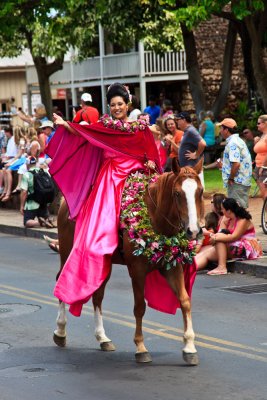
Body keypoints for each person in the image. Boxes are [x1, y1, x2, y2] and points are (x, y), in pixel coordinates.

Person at [47, 83, 161, 317]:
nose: (117, 107)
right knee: (100, 221)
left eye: (120, 104)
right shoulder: (105, 126)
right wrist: (65, 125)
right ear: (109, 107)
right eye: (113, 105)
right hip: (111, 177)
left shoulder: (141, 128)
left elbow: (151, 154)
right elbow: (85, 133)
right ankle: (95, 250)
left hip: (138, 175)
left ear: (128, 105)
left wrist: (150, 163)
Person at [195, 198, 262, 275]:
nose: (221, 211)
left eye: (223, 209)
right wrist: (212, 234)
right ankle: (187, 268)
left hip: (246, 248)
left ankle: (222, 267)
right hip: (233, 244)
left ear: (229, 211)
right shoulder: (228, 219)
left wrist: (215, 237)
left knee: (218, 240)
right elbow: (220, 232)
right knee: (205, 251)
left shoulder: (243, 220)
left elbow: (234, 237)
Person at [218, 118, 252, 208]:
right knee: (239, 211)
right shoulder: (237, 140)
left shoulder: (232, 143)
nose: (220, 131)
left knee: (238, 211)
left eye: (221, 128)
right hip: (240, 181)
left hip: (237, 182)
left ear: (226, 130)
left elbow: (236, 164)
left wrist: (231, 178)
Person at [20, 156, 53, 228]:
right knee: (44, 217)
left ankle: (39, 223)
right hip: (43, 203)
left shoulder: (27, 175)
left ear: (27, 164)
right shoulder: (44, 171)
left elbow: (24, 192)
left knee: (27, 222)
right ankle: (46, 220)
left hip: (32, 204)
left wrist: (22, 206)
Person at [176, 111, 206, 186]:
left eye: (178, 119)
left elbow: (203, 143)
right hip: (188, 169)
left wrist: (196, 154)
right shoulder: (187, 131)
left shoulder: (190, 130)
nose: (177, 122)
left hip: (191, 168)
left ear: (184, 119)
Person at [253, 115, 267, 200]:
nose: (257, 125)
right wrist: (256, 142)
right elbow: (258, 150)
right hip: (259, 166)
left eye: (258, 123)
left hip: (264, 167)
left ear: (265, 123)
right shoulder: (262, 135)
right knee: (263, 194)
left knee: (265, 195)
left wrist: (263, 166)